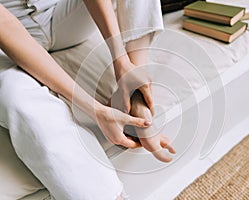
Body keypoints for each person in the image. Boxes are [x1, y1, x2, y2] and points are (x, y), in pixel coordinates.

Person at [0, 0, 175, 199]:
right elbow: (5, 24)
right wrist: (97, 110)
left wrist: (122, 63)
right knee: (16, 97)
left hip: (60, 14)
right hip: (6, 39)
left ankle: (136, 94)